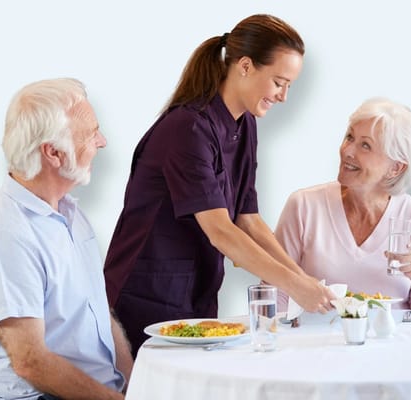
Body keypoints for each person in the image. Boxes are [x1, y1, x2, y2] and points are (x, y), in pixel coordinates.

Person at [103, 14, 334, 355]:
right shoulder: (188, 128)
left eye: (290, 85)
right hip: (148, 291)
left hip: (196, 290)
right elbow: (221, 231)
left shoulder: (245, 125)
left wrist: (302, 279)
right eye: (279, 82)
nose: (284, 96)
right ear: (244, 66)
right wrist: (295, 286)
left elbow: (248, 219)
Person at [0, 78, 133, 399]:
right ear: (53, 153)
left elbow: (99, 311)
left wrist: (132, 382)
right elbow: (31, 362)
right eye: (90, 133)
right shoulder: (6, 234)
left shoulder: (69, 213)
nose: (102, 141)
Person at [275, 97, 411, 312]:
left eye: (365, 145)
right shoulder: (304, 206)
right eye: (349, 137)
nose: (347, 151)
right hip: (317, 343)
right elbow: (276, 293)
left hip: (394, 345)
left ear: (395, 168)